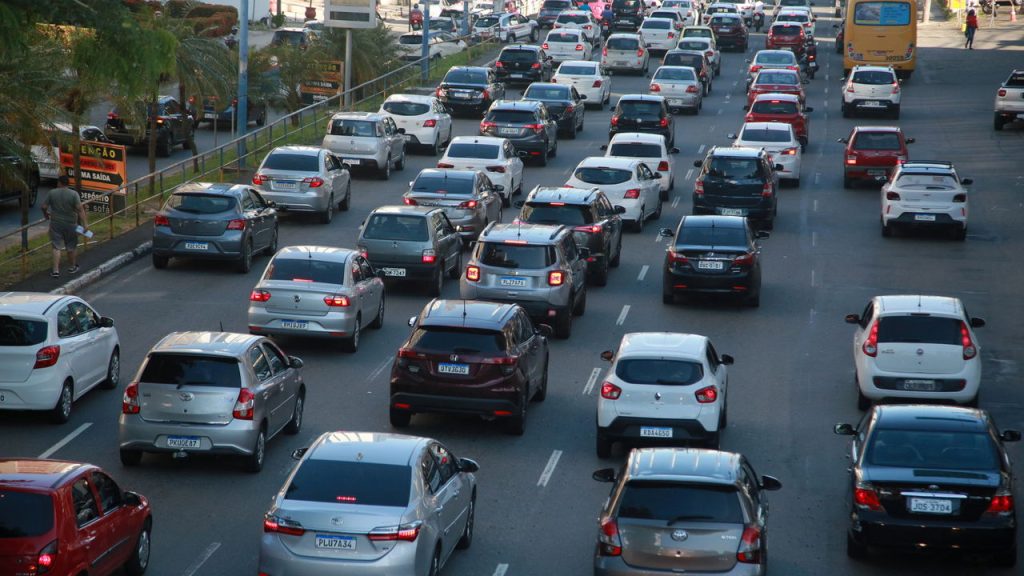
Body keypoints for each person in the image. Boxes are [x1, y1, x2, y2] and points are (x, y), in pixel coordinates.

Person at [41, 174, 88, 278]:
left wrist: (46, 215)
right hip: (71, 224)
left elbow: (43, 206)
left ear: (59, 183)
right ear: (68, 183)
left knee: (56, 247)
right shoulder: (73, 194)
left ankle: (56, 270)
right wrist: (85, 224)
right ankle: (72, 267)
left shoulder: (52, 193)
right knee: (71, 246)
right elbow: (80, 210)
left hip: (56, 224)